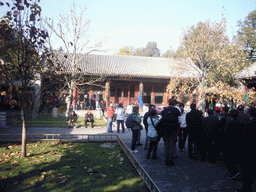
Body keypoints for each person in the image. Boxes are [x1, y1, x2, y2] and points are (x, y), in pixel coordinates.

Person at [237, 107, 256, 192]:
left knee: (247, 171)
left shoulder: (249, 124)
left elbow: (245, 139)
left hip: (249, 151)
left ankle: (247, 188)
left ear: (249, 114)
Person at [222, 109, 243, 180]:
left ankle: (234, 172)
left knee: (229, 158)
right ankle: (233, 171)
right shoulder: (240, 122)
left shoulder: (230, 123)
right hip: (237, 142)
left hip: (230, 143)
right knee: (234, 157)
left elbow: (226, 132)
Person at [160, 98, 181, 166]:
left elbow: (161, 120)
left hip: (165, 130)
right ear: (174, 103)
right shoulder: (176, 110)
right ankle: (170, 160)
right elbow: (180, 121)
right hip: (173, 130)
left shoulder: (165, 110)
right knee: (171, 145)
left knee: (166, 145)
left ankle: (166, 159)